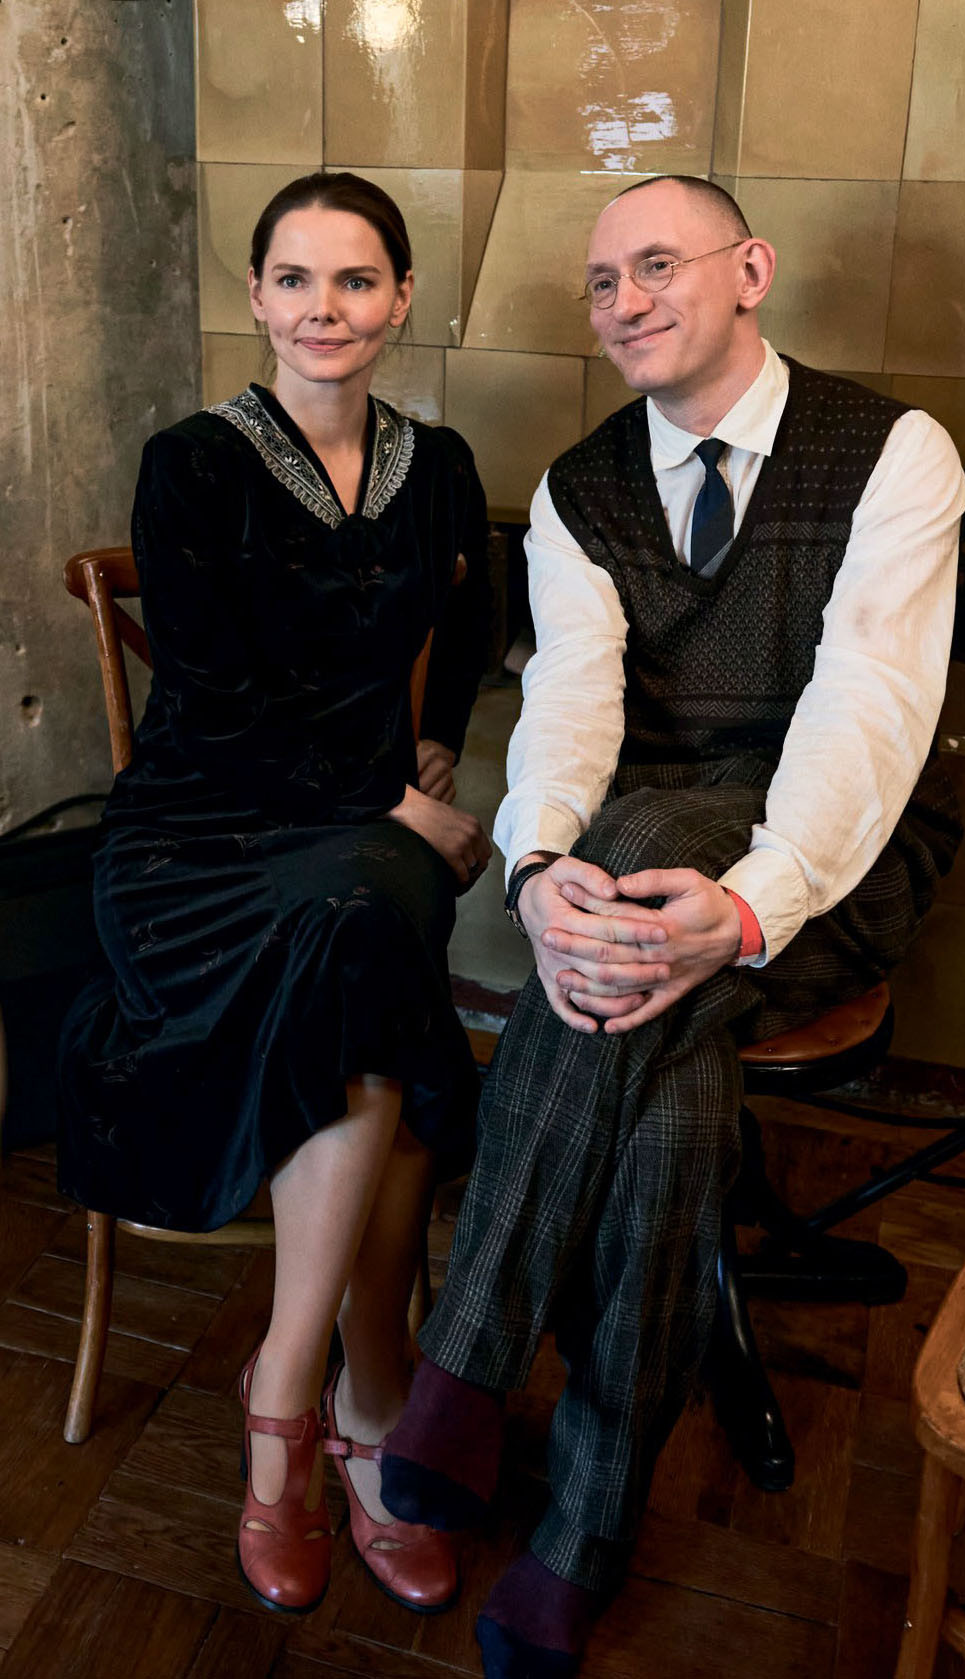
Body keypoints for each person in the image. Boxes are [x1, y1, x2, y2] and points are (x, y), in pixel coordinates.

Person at [374, 175, 965, 1677]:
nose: (624, 301)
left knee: (648, 857)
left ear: (749, 269)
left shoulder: (891, 452)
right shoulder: (581, 489)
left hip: (838, 852)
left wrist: (752, 904)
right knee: (659, 1014)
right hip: (652, 863)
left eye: (657, 264)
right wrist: (538, 868)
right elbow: (571, 701)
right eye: (600, 281)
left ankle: (466, 1359)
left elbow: (868, 712)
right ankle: (587, 1524)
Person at [58, 171, 493, 1617]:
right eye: (294, 279)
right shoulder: (192, 462)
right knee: (379, 932)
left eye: (355, 280)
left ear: (401, 299)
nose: (324, 309)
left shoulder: (438, 466)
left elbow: (479, 624)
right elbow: (218, 694)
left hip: (356, 851)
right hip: (196, 841)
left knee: (370, 929)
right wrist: (397, 803)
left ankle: (301, 1402)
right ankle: (345, 1395)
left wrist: (439, 746)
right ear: (255, 298)